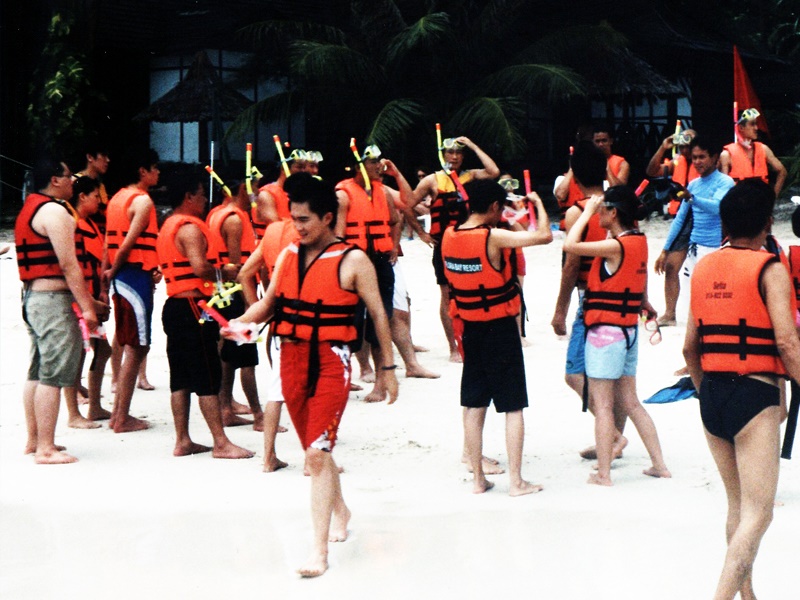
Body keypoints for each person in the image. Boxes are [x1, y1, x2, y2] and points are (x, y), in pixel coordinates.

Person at [228, 173, 399, 577]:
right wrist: (239, 322)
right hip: (289, 359)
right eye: (294, 219)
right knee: (317, 452)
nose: (298, 227)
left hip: (332, 362)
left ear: (326, 217)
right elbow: (268, 304)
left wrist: (388, 369)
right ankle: (342, 510)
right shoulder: (288, 255)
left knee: (317, 455)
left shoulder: (354, 260)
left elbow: (378, 314)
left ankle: (318, 552)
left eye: (304, 220)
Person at [683, 180, 799, 599]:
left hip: (711, 394)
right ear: (768, 223)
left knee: (737, 507)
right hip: (754, 398)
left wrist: (704, 392)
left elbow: (689, 347)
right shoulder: (770, 269)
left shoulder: (704, 267)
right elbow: (787, 343)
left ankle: (747, 597)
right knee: (759, 513)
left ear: (726, 225)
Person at [442, 179, 552, 495]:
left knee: (474, 405)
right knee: (512, 405)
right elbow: (544, 236)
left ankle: (478, 479)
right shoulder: (492, 237)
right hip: (500, 329)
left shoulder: (449, 235)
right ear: (493, 207)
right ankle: (516, 481)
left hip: (470, 328)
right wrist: (537, 203)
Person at [563, 185, 671, 486]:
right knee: (632, 402)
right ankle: (659, 465)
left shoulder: (615, 246)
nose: (598, 212)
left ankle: (604, 473)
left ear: (613, 212)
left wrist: (583, 213)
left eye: (602, 208)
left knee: (604, 407)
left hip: (605, 335)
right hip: (628, 332)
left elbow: (570, 245)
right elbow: (637, 278)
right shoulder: (638, 241)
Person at [156, 173, 255, 460]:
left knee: (181, 377)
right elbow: (200, 267)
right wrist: (225, 272)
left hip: (175, 305)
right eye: (200, 195)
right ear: (189, 196)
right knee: (207, 371)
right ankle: (221, 443)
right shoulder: (188, 228)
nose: (203, 201)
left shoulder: (168, 225)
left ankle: (183, 440)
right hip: (193, 308)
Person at [15, 157, 101, 463]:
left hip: (33, 300)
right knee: (52, 374)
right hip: (52, 302)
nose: (73, 183)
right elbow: (69, 265)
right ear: (55, 180)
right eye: (69, 178)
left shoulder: (32, 208)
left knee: (37, 370)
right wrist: (88, 307)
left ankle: (34, 440)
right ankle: (46, 448)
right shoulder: (54, 212)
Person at [551, 142, 628, 460]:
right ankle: (611, 439)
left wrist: (559, 311)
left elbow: (571, 266)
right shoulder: (619, 207)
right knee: (615, 377)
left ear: (576, 178)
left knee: (575, 373)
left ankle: (612, 435)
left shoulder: (577, 211)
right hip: (623, 298)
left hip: (591, 299)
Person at [404, 135, 500, 362]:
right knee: (447, 295)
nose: (455, 157)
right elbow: (407, 205)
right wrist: (420, 232)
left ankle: (475, 341)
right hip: (444, 244)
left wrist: (473, 144)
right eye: (450, 153)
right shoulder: (431, 180)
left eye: (459, 153)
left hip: (470, 241)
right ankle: (453, 348)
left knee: (475, 289)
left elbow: (494, 171)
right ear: (443, 154)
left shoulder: (471, 176)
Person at [335, 144, 407, 403]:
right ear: (357, 167)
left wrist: (393, 247)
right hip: (354, 263)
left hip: (380, 261)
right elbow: (340, 234)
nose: (378, 166)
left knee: (382, 319)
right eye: (371, 162)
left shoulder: (383, 192)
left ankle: (379, 384)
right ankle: (344, 378)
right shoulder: (343, 194)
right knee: (347, 323)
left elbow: (397, 218)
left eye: (378, 161)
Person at [103, 149, 161, 432]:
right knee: (138, 346)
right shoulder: (142, 201)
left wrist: (107, 274)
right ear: (142, 171)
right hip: (133, 276)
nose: (158, 173)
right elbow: (127, 243)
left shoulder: (116, 199)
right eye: (154, 168)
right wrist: (113, 269)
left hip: (121, 277)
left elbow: (108, 242)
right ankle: (122, 417)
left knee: (132, 343)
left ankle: (118, 413)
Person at [207, 181, 264, 430]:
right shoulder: (234, 220)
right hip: (236, 296)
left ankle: (226, 407)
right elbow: (237, 271)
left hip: (223, 296)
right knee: (247, 355)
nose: (259, 193)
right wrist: (253, 305)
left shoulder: (218, 213)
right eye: (257, 186)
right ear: (243, 188)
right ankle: (259, 416)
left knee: (228, 355)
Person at [63, 176, 113, 428]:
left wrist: (102, 293)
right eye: (95, 196)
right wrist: (90, 302)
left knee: (103, 350)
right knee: (78, 354)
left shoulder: (92, 226)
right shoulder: (75, 227)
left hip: (93, 300)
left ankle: (94, 406)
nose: (99, 201)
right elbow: (73, 271)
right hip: (81, 303)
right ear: (82, 197)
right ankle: (73, 414)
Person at [646, 130, 699, 326]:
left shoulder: (706, 162)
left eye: (689, 144)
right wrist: (663, 147)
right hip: (683, 218)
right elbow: (651, 172)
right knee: (670, 266)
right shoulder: (676, 162)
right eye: (682, 144)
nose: (685, 148)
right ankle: (670, 313)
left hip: (704, 218)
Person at [720, 108, 787, 198]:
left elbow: (782, 171)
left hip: (761, 203)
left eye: (756, 124)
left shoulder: (763, 149)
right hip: (740, 204)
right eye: (752, 124)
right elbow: (724, 186)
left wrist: (773, 197)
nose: (756, 128)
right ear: (741, 128)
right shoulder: (726, 155)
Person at [253, 148, 307, 239]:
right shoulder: (266, 194)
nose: (303, 172)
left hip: (291, 247)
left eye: (304, 168)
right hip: (271, 249)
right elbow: (276, 226)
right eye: (299, 167)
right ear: (283, 168)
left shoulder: (296, 194)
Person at [75, 143, 110, 233]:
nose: (108, 160)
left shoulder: (101, 186)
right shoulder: (75, 181)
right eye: (103, 155)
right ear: (90, 157)